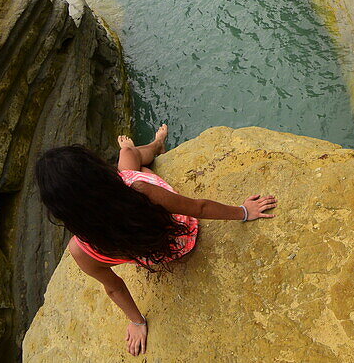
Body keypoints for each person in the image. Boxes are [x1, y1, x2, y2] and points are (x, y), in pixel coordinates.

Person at [35, 125, 278, 357]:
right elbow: (199, 207)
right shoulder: (139, 190)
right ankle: (156, 144)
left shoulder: (82, 249)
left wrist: (137, 322)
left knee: (129, 161)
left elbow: (114, 287)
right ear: (96, 170)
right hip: (184, 235)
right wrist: (244, 212)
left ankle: (153, 147)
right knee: (128, 155)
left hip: (164, 254)